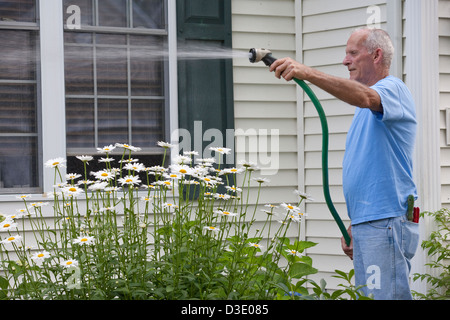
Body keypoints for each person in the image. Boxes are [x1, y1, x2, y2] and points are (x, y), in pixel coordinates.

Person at [269, 28, 419, 300]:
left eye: (352, 53)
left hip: (385, 221)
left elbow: (364, 97)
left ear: (376, 55)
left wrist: (308, 73)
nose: (345, 60)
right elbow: (372, 168)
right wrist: (357, 223)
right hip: (372, 221)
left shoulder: (391, 90)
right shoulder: (368, 109)